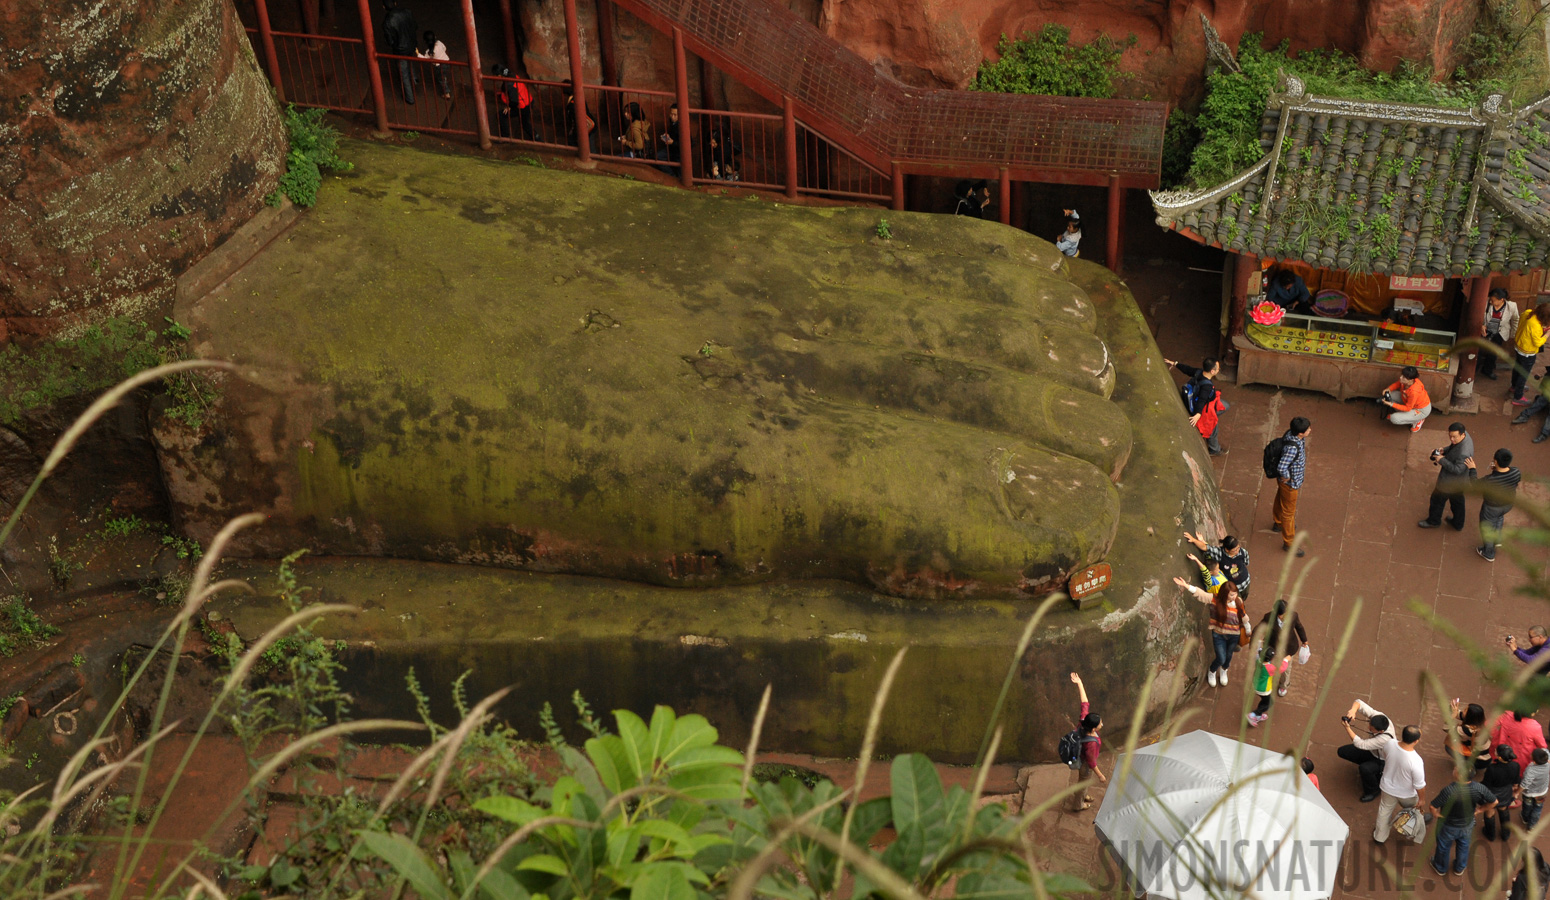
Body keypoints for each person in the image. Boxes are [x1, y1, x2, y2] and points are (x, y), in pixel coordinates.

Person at [1170, 576, 1245, 688]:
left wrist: (1246, 627)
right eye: (1232, 595)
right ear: (1225, 594)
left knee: (1229, 656)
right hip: (1219, 634)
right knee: (1221, 658)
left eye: (1235, 594)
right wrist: (1186, 586)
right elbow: (1201, 594)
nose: (1235, 597)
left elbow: (1243, 616)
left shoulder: (1238, 601)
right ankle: (1212, 671)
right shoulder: (1215, 600)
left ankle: (1224, 670)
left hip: (1234, 634)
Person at [1430, 769, 1498, 875]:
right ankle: (1460, 867)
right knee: (1464, 845)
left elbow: (1433, 806)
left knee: (1443, 846)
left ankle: (1441, 867)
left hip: (1448, 824)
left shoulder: (1449, 790)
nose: (1454, 770)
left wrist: (1436, 814)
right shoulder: (1479, 788)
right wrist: (1480, 810)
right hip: (1467, 823)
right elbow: (1494, 801)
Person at [1372, 726, 1426, 844]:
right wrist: (1422, 799)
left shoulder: (1390, 743)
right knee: (1415, 811)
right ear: (1416, 741)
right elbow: (1419, 785)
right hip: (1407, 794)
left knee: (1384, 812)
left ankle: (1379, 837)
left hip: (1387, 788)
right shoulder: (1416, 761)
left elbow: (1386, 755)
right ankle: (1412, 830)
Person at [1338, 698, 1396, 802]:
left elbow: (1361, 744)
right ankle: (1371, 770)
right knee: (1342, 752)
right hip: (1372, 751)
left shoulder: (1384, 738)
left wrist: (1347, 728)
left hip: (1381, 760)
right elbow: (1359, 702)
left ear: (1381, 731)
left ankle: (1373, 790)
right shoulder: (1379, 717)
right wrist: (1353, 711)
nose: (1369, 727)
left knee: (1365, 769)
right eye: (1370, 724)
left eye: (1371, 728)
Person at [1165, 356, 1226, 455]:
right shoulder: (1207, 386)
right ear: (1212, 371)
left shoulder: (1199, 372)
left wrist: (1176, 363)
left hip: (1209, 402)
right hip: (1206, 408)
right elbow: (1202, 400)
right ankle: (1214, 449)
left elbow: (1188, 369)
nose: (1219, 370)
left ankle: (1214, 447)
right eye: (1218, 368)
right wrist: (1198, 414)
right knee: (1213, 424)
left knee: (1225, 406)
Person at [1417, 422, 1473, 530]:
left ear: (1462, 435)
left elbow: (1457, 469)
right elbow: (1454, 446)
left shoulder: (1463, 453)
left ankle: (1433, 521)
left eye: (1454, 437)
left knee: (1437, 500)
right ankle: (1458, 523)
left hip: (1448, 483)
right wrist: (1445, 450)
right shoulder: (1466, 436)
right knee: (1457, 503)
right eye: (1450, 436)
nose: (1452, 439)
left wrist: (1441, 459)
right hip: (1460, 483)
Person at [1469, 447, 1521, 561]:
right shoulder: (1516, 472)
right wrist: (1496, 470)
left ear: (1496, 461)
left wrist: (1472, 469)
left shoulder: (1490, 480)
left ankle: (1488, 552)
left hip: (1491, 507)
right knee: (1499, 518)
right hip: (1508, 504)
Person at [1067, 672, 1106, 811]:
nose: (1102, 724)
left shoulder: (1083, 721)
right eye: (1100, 723)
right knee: (1083, 782)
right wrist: (1100, 775)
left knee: (1082, 782)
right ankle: (1078, 804)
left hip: (1078, 756)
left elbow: (1084, 702)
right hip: (1084, 763)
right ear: (1094, 727)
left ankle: (1082, 793)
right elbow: (1091, 762)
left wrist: (1080, 683)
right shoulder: (1091, 743)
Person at [1273, 417, 1310, 557]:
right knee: (1289, 513)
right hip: (1291, 483)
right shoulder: (1292, 448)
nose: (1309, 430)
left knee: (1280, 498)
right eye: (1307, 429)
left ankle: (1277, 522)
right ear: (1300, 433)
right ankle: (1289, 543)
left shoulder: (1290, 434)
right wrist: (1287, 476)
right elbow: (1282, 466)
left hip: (1285, 483)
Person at [1255, 600, 1309, 697]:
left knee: (1286, 669)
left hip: (1288, 648)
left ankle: (1283, 685)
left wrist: (1304, 640)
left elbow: (1299, 627)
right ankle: (1268, 678)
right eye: (1281, 615)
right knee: (1269, 665)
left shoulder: (1293, 616)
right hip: (1273, 647)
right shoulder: (1268, 617)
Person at [1183, 531, 1250, 599]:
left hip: (1246, 582)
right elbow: (1206, 548)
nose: (1238, 551)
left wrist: (1203, 540)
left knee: (1244, 597)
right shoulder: (1220, 553)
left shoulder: (1243, 552)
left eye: (1238, 548)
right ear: (1226, 550)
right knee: (1236, 602)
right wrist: (1193, 540)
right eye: (1234, 550)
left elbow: (1246, 562)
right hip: (1232, 587)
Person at [1246, 637, 1291, 728]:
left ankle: (1258, 716)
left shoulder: (1258, 660)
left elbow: (1259, 651)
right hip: (1264, 689)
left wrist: (1261, 642)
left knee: (1264, 701)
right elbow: (1281, 669)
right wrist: (1286, 660)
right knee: (1269, 703)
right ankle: (1253, 715)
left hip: (1256, 684)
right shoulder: (1269, 668)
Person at [1511, 303, 1550, 405]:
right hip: (1527, 352)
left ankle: (1514, 386)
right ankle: (1518, 397)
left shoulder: (1529, 313)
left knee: (1517, 367)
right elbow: (1537, 342)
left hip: (1519, 346)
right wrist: (1547, 334)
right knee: (1523, 374)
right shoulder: (1535, 325)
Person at [381, 0, 419, 104]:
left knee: (404, 74)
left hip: (400, 50)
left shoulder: (388, 21)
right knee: (410, 62)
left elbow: (390, 41)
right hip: (412, 45)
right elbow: (415, 26)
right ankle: (415, 79)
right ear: (396, 3)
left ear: (384, 7)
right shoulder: (407, 11)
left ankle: (410, 98)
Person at [1482, 744, 1522, 842]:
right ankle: (1506, 834)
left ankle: (1490, 834)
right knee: (1504, 810)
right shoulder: (1515, 765)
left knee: (1489, 811)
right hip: (1506, 792)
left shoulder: (1492, 768)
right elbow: (1516, 780)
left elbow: (1486, 783)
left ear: (1499, 757)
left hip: (1492, 793)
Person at [1480, 288, 1520, 381]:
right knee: (1480, 349)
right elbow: (1479, 315)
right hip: (1486, 330)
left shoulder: (1511, 306)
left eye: (1493, 300)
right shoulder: (1485, 302)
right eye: (1490, 299)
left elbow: (1515, 320)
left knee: (1494, 352)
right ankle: (1478, 367)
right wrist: (1481, 325)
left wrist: (1513, 334)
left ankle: (1488, 370)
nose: (1490, 301)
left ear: (1502, 300)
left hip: (1500, 332)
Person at [1379, 365, 1432, 432]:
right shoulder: (1408, 381)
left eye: (1403, 377)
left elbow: (1408, 408)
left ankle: (1417, 420)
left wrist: (1391, 404)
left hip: (1420, 410)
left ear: (1411, 380)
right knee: (1390, 395)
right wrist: (1389, 389)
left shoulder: (1414, 392)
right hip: (1408, 401)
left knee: (1394, 418)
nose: (1400, 377)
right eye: (1402, 375)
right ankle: (1407, 416)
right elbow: (1398, 384)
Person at [1449, 699, 1489, 769]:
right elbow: (1461, 715)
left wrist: (1452, 717)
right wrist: (1453, 710)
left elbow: (1448, 729)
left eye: (1465, 710)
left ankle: (1465, 765)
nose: (1462, 710)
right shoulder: (1480, 722)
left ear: (1470, 716)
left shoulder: (1467, 730)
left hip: (1478, 761)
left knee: (1449, 747)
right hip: (1486, 757)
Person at [419, 31, 451, 99]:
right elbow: (444, 48)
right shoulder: (439, 43)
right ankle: (444, 78)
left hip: (439, 66)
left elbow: (425, 59)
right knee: (443, 75)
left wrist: (418, 54)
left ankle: (446, 93)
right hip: (447, 62)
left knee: (441, 79)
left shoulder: (429, 52)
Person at [1523, 747, 1549, 828]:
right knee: (1538, 808)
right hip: (1542, 792)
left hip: (1529, 793)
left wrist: (1517, 791)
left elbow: (1525, 783)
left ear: (1534, 761)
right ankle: (1532, 826)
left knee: (1527, 806)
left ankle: (1525, 819)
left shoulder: (1531, 769)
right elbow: (1546, 751)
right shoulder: (1548, 763)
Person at [655, 103, 682, 173]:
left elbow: (686, 143)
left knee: (681, 169)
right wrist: (668, 136)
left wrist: (673, 142)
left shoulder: (682, 126)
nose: (672, 117)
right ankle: (671, 175)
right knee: (658, 157)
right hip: (672, 148)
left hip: (680, 151)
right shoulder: (673, 122)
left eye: (675, 115)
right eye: (671, 114)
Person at [492, 65, 514, 138]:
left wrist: (510, 107)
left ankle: (505, 137)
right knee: (525, 124)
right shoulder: (509, 74)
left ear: (498, 75)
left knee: (500, 115)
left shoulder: (508, 84)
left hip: (521, 104)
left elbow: (514, 97)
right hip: (524, 101)